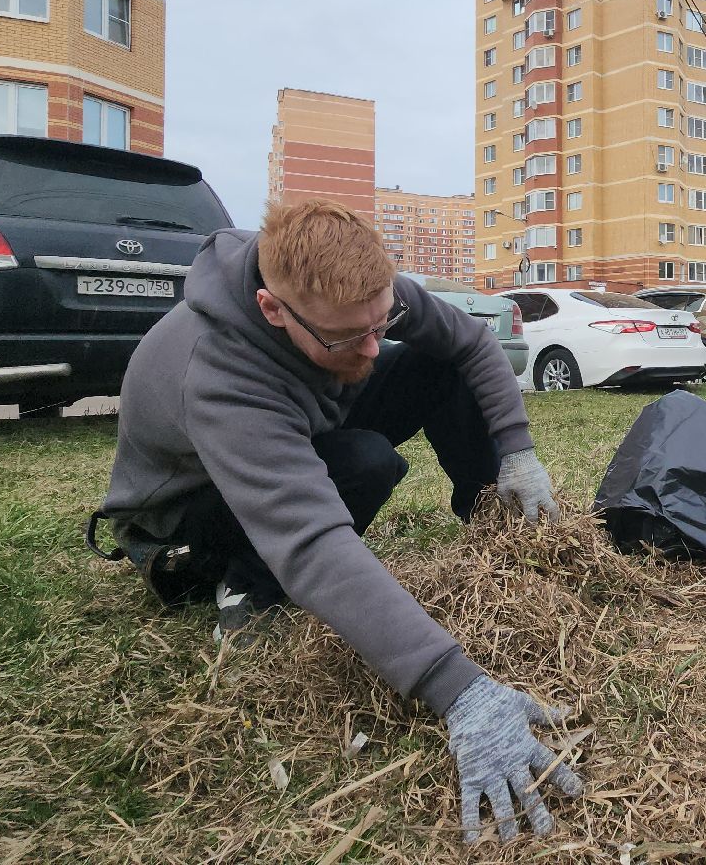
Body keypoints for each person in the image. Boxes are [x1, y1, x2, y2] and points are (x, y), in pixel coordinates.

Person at [94, 199, 581, 844]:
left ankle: (496, 522)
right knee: (362, 463)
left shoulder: (350, 293)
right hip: (186, 522)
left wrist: (516, 452)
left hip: (300, 423)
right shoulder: (216, 371)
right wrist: (459, 689)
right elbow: (314, 541)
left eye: (381, 323)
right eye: (351, 337)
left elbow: (469, 342)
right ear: (274, 310)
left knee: (436, 368)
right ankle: (245, 588)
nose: (373, 348)